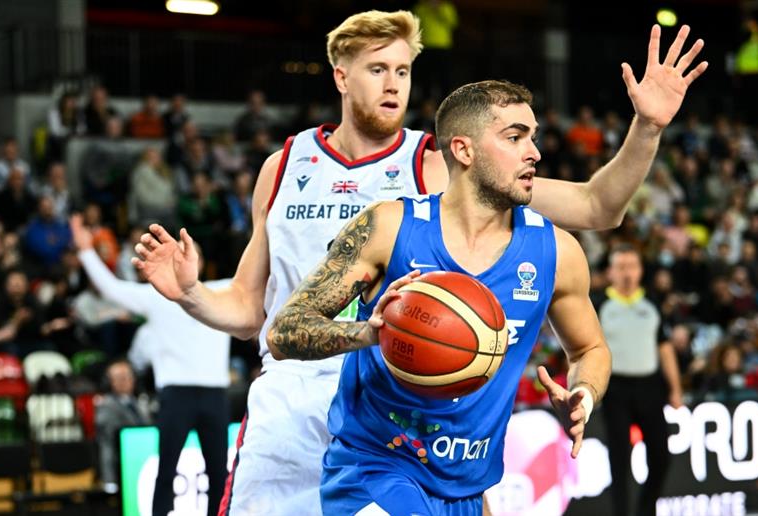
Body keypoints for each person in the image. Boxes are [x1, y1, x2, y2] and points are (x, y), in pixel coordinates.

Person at [132, 13, 706, 514]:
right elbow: (253, 311)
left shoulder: (437, 162)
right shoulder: (283, 166)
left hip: (407, 396)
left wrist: (647, 128)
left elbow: (596, 205)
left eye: (404, 71)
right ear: (341, 76)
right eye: (378, 69)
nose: (394, 84)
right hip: (295, 396)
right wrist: (190, 294)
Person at [264, 80, 611, 514]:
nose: (534, 153)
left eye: (533, 137)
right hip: (375, 471)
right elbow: (283, 331)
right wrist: (369, 334)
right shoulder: (389, 227)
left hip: (466, 486)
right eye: (515, 137)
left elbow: (590, 349)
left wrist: (584, 393)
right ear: (463, 150)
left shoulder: (556, 252)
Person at [72, 216, 232, 516]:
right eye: (180, 253)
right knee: (166, 470)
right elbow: (111, 288)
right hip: (175, 394)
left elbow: (261, 275)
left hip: (215, 395)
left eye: (192, 253)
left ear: (200, 261)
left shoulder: (223, 291)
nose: (187, 258)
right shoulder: (158, 297)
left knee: (219, 475)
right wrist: (86, 252)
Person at [593, 245, 681, 516]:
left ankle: (646, 510)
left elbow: (665, 348)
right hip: (615, 388)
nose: (627, 273)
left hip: (650, 386)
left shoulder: (652, 303)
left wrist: (676, 389)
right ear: (610, 272)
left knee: (661, 455)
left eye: (632, 266)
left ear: (641, 270)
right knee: (619, 459)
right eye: (621, 267)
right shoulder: (599, 304)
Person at [94, 359, 150, 487]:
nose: (125, 381)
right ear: (110, 382)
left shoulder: (139, 403)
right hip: (120, 464)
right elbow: (108, 442)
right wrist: (109, 480)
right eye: (120, 377)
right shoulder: (106, 406)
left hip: (143, 461)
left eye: (128, 376)